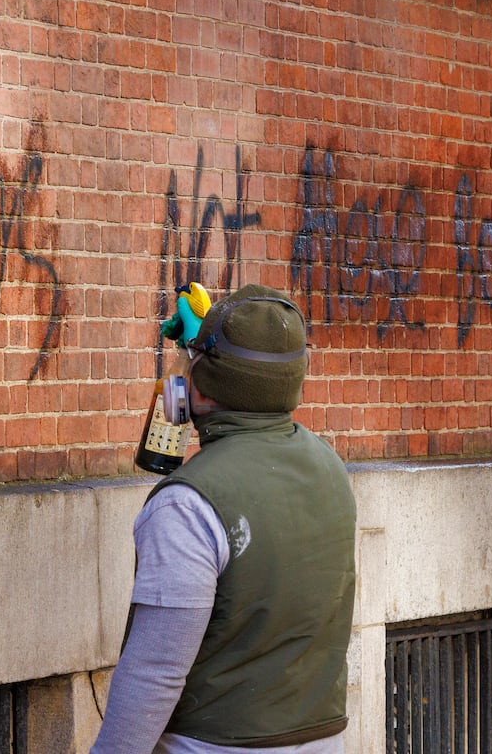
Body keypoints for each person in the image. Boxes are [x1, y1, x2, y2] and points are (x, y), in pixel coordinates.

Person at [91, 284, 356, 754]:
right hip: (322, 740)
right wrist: (206, 351)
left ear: (206, 383)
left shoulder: (186, 505)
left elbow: (156, 670)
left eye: (191, 366)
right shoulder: (330, 468)